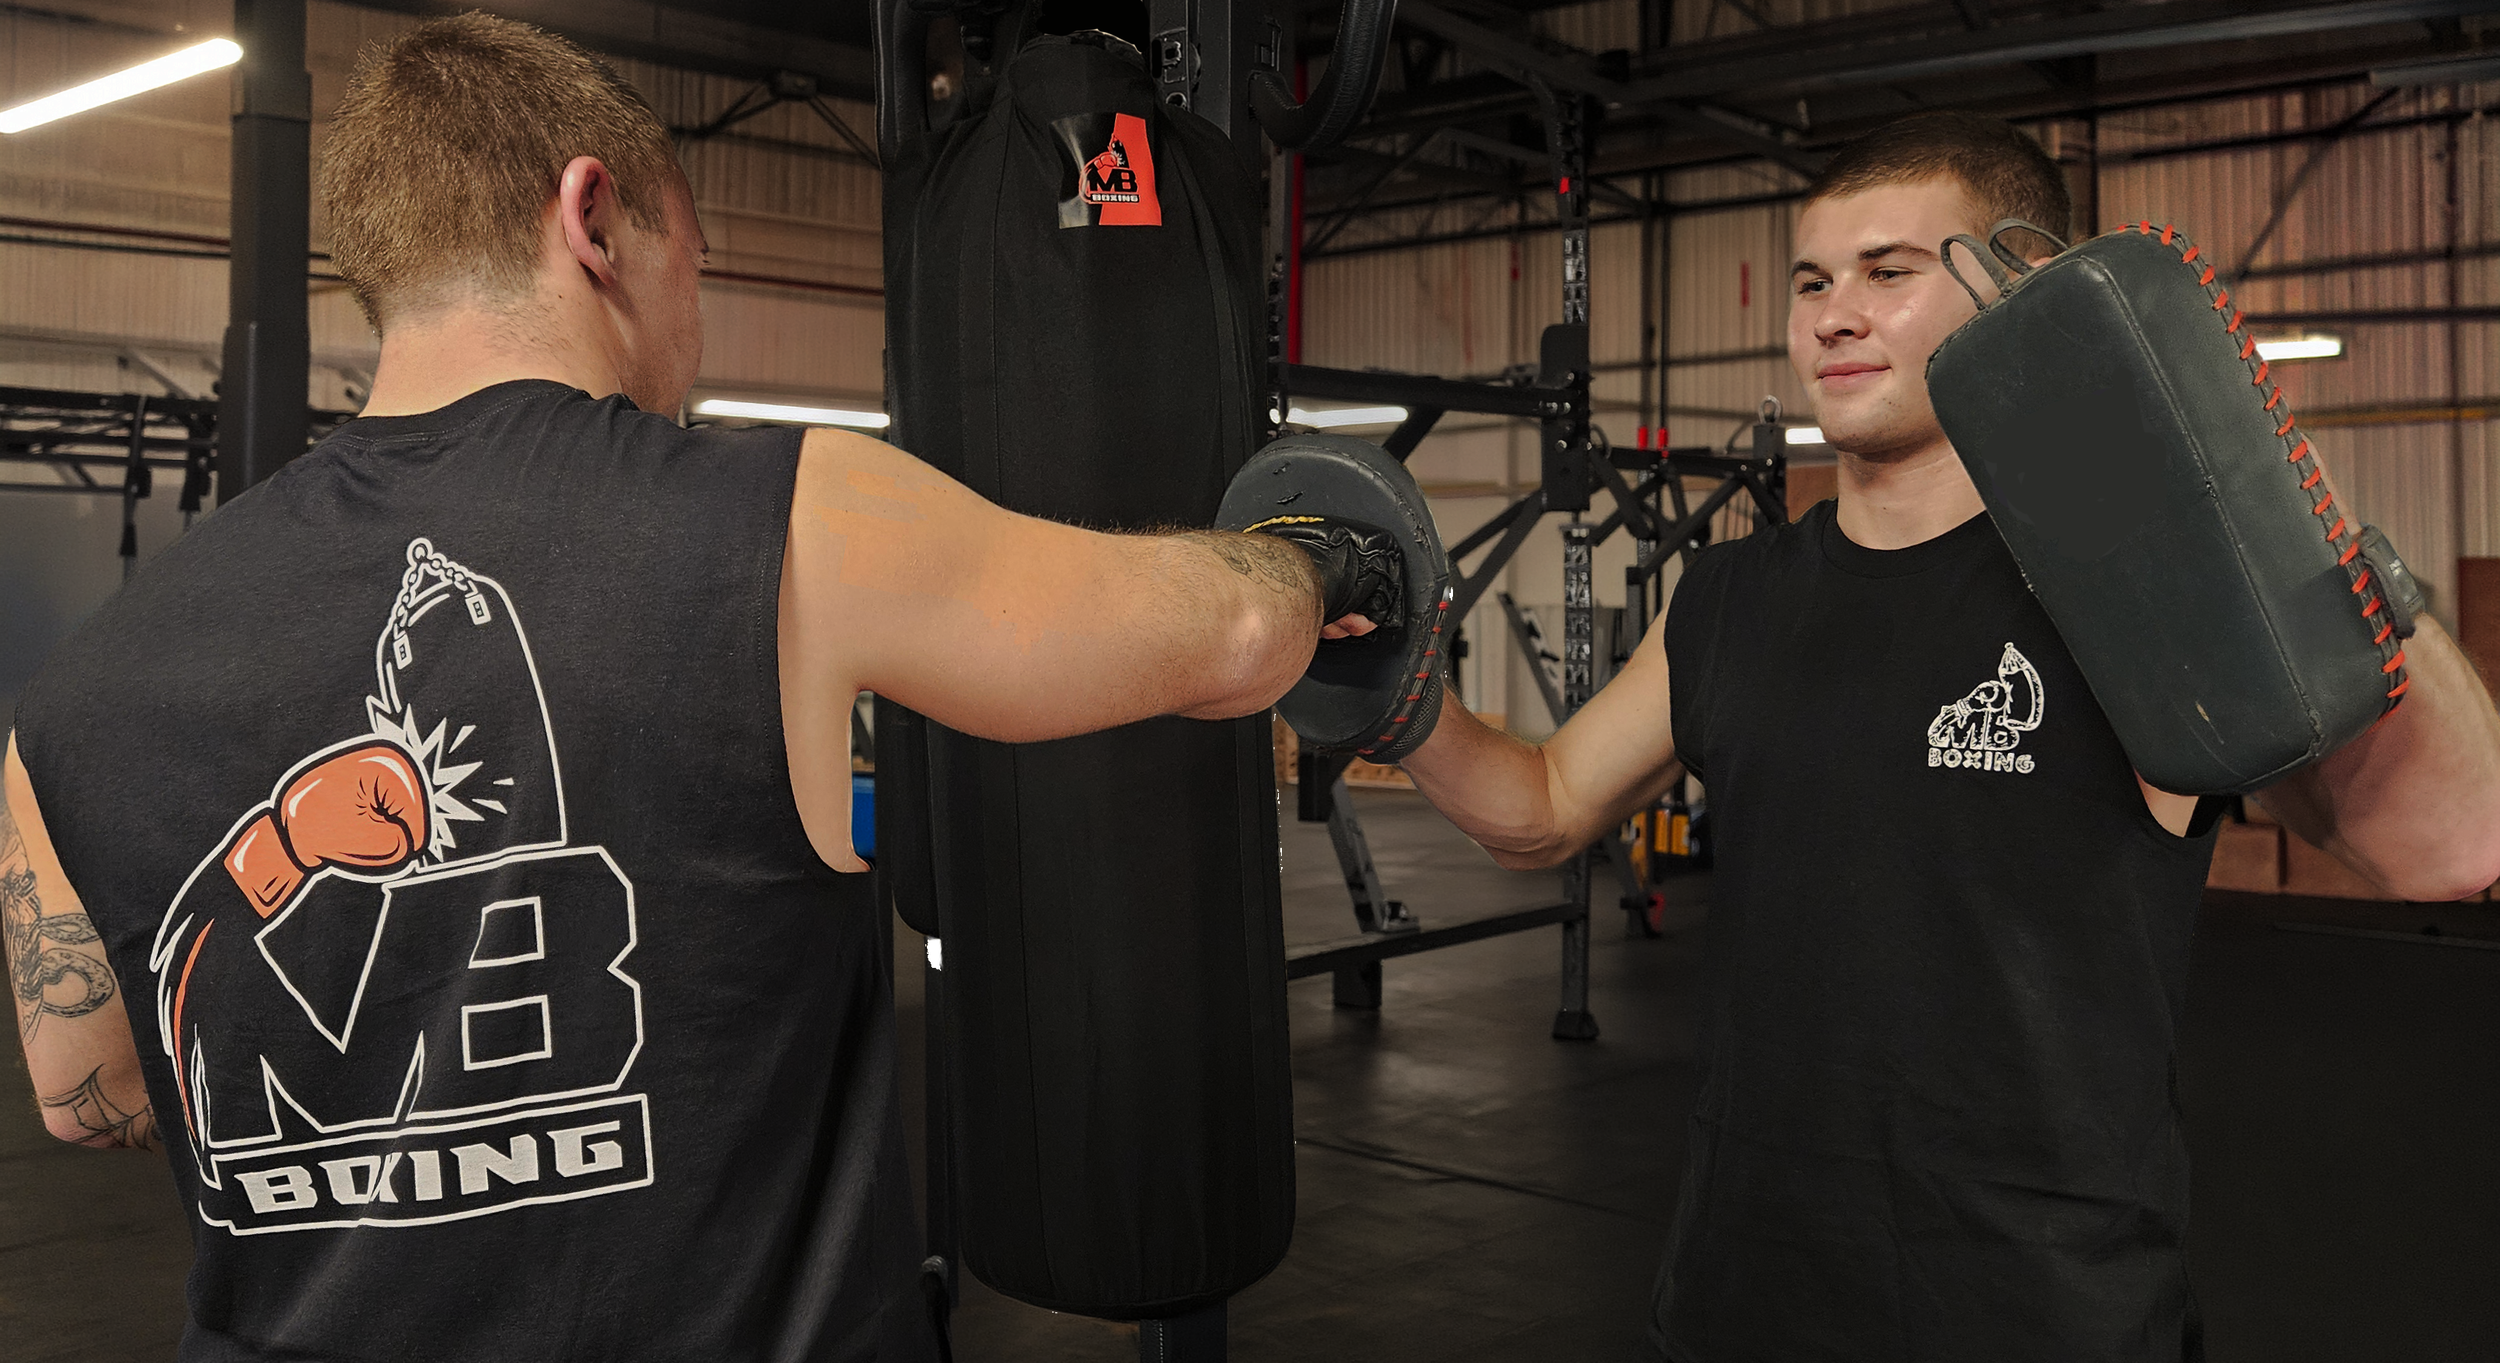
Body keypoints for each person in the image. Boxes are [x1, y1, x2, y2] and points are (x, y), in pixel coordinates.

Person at [0, 14, 1379, 1361]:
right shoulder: (789, 522)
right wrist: (1324, 552)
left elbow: (88, 1094)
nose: (695, 330)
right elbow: (1233, 638)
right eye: (694, 266)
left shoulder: (76, 695)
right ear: (592, 218)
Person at [1391, 110, 2500, 1361]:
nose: (1831, 314)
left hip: (2037, 1312)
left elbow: (2453, 846)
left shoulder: (2138, 595)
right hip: (1742, 1295)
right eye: (1812, 279)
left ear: (2017, 293)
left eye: (1889, 271)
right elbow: (1537, 809)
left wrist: (2280, 494)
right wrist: (1395, 687)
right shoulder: (1726, 599)